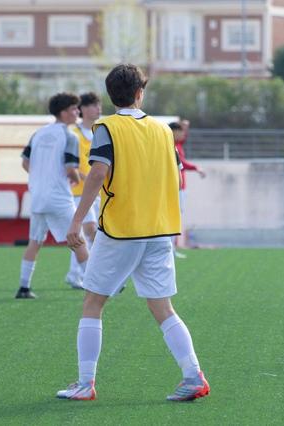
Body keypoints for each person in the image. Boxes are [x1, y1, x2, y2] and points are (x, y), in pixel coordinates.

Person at [56, 64, 209, 401]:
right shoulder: (163, 131)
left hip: (122, 230)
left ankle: (85, 383)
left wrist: (76, 221)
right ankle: (193, 375)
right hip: (159, 230)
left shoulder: (106, 127)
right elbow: (174, 175)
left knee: (93, 302)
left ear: (111, 95)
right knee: (163, 308)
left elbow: (98, 173)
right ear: (141, 92)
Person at [16, 93, 89, 299]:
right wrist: (78, 178)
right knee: (78, 239)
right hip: (59, 197)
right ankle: (96, 286)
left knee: (35, 242)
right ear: (64, 112)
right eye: (74, 109)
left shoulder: (39, 133)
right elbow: (70, 169)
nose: (77, 112)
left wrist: (41, 177)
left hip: (38, 196)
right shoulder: (70, 136)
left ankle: (23, 287)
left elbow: (25, 163)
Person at [65, 92, 102, 289]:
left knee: (85, 235)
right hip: (78, 192)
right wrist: (84, 177)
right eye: (94, 105)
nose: (98, 108)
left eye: (99, 105)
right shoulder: (73, 133)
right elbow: (68, 163)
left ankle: (75, 274)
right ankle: (88, 275)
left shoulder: (99, 133)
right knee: (90, 232)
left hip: (96, 192)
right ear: (83, 109)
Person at [168, 120, 206, 257]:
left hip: (181, 187)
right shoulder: (171, 145)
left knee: (176, 217)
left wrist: (186, 127)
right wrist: (196, 168)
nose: (183, 134)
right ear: (173, 132)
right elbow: (182, 163)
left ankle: (172, 248)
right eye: (180, 131)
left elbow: (184, 139)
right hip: (176, 187)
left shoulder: (178, 144)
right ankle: (170, 249)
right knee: (174, 217)